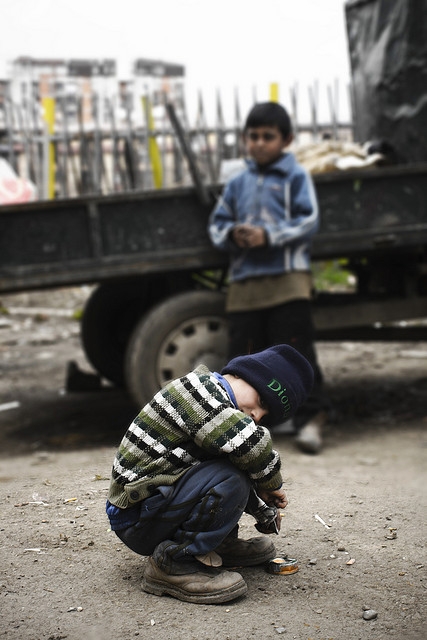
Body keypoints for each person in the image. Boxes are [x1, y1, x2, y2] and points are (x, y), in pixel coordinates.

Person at [106, 344, 313, 604]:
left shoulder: (217, 412)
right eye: (261, 402)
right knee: (230, 475)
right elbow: (253, 446)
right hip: (136, 517)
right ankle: (174, 563)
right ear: (239, 375)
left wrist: (262, 510)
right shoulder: (198, 393)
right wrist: (271, 483)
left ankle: (216, 543)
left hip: (154, 505)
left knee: (233, 465)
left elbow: (239, 458)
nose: (256, 415)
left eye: (265, 415)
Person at [208, 101, 329, 454]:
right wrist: (232, 234)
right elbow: (217, 222)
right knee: (243, 357)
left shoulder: (296, 176)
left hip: (288, 282)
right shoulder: (237, 181)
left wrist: (269, 235)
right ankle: (238, 430)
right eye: (253, 137)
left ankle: (312, 419)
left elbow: (309, 221)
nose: (259, 143)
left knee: (295, 354)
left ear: (287, 139)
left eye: (268, 137)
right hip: (245, 285)